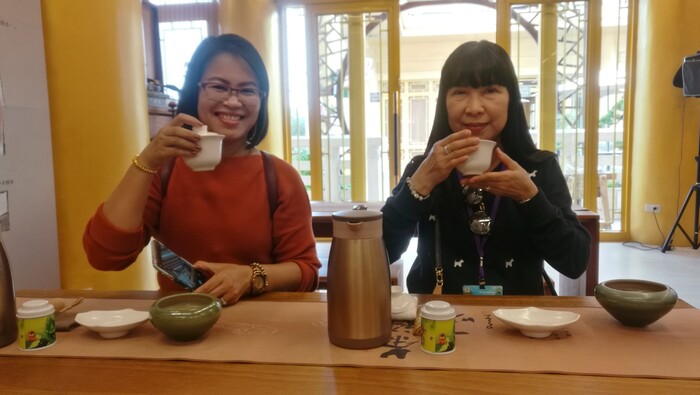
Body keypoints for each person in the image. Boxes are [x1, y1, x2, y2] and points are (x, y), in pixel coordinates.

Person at [83, 34, 320, 304]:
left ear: (261, 99)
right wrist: (147, 161)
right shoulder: (163, 171)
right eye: (219, 87)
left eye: (247, 90)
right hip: (180, 326)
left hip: (261, 328)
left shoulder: (280, 176)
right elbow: (105, 256)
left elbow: (305, 271)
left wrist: (249, 276)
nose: (233, 101)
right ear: (196, 90)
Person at [382, 40, 590, 295]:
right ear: (443, 102)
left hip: (520, 322)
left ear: (511, 99)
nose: (474, 108)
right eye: (460, 91)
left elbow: (574, 262)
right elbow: (380, 254)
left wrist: (530, 197)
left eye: (490, 90)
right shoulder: (424, 167)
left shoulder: (540, 168)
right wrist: (419, 186)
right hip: (437, 321)